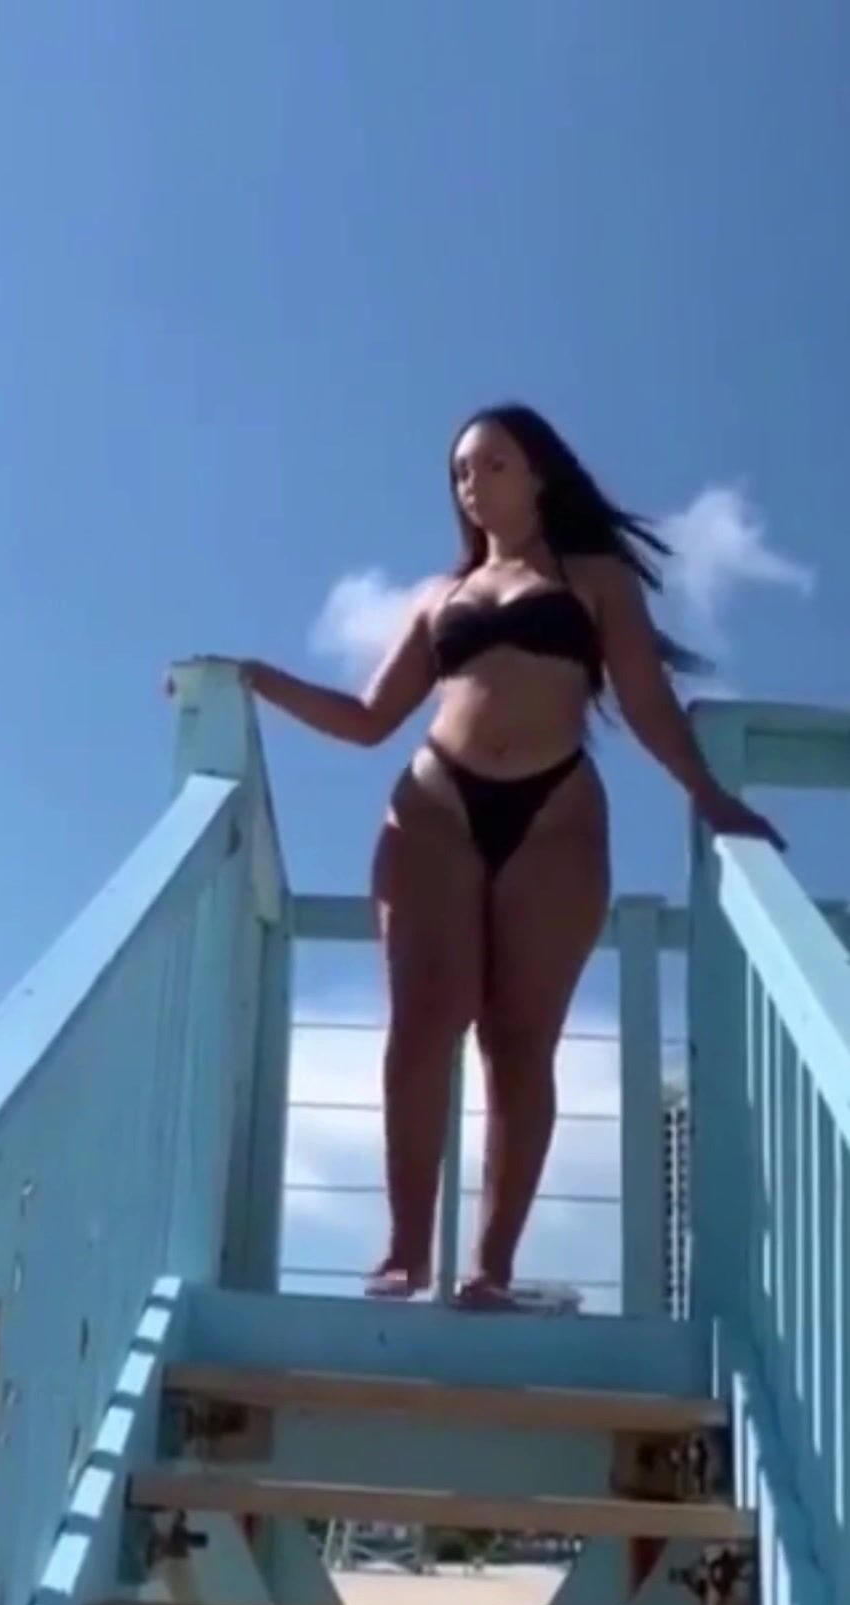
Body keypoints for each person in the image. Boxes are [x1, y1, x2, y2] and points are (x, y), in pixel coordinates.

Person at [193, 403, 783, 1310]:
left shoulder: (594, 580)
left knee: (519, 1044)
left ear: (537, 474)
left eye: (492, 464)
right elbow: (368, 720)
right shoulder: (440, 596)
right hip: (436, 805)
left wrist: (708, 794)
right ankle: (404, 1249)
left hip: (556, 815)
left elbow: (646, 702)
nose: (472, 484)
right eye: (461, 472)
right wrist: (257, 677)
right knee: (423, 1022)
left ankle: (491, 1269)